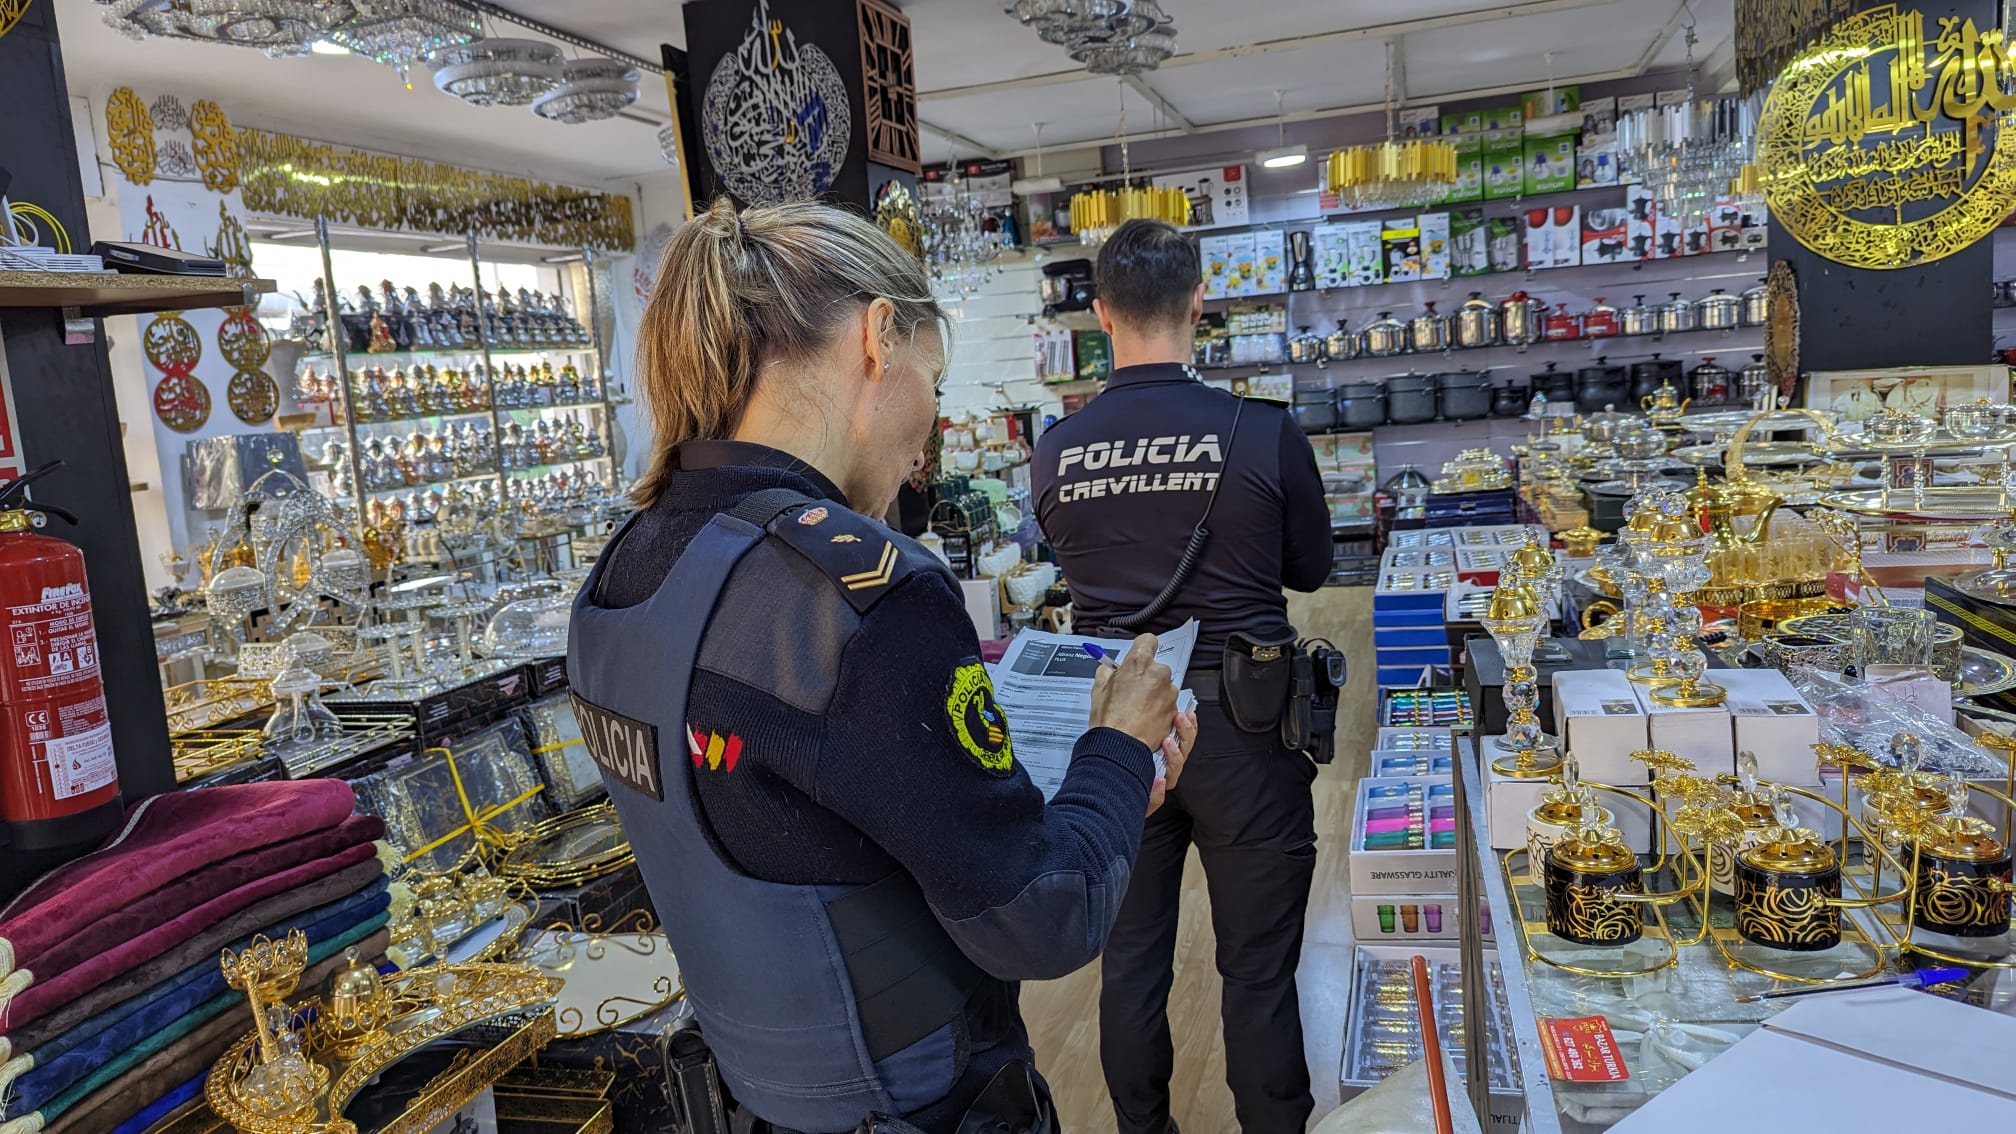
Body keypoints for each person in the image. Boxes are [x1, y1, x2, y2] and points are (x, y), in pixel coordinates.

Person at [566, 198, 1198, 1134]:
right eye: (933, 380)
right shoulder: (859, 596)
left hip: (753, 1098)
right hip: (922, 1103)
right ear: (878, 340)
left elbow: (802, 814)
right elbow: (1045, 912)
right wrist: (1117, 750)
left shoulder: (626, 569)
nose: (928, 436)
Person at [1032, 219, 1332, 1134]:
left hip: (1121, 729)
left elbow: (1071, 565)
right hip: (1248, 725)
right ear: (1200, 300)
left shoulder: (1056, 450)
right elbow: (1313, 568)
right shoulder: (1261, 432)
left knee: (1130, 960)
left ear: (1100, 313)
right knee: (1257, 969)